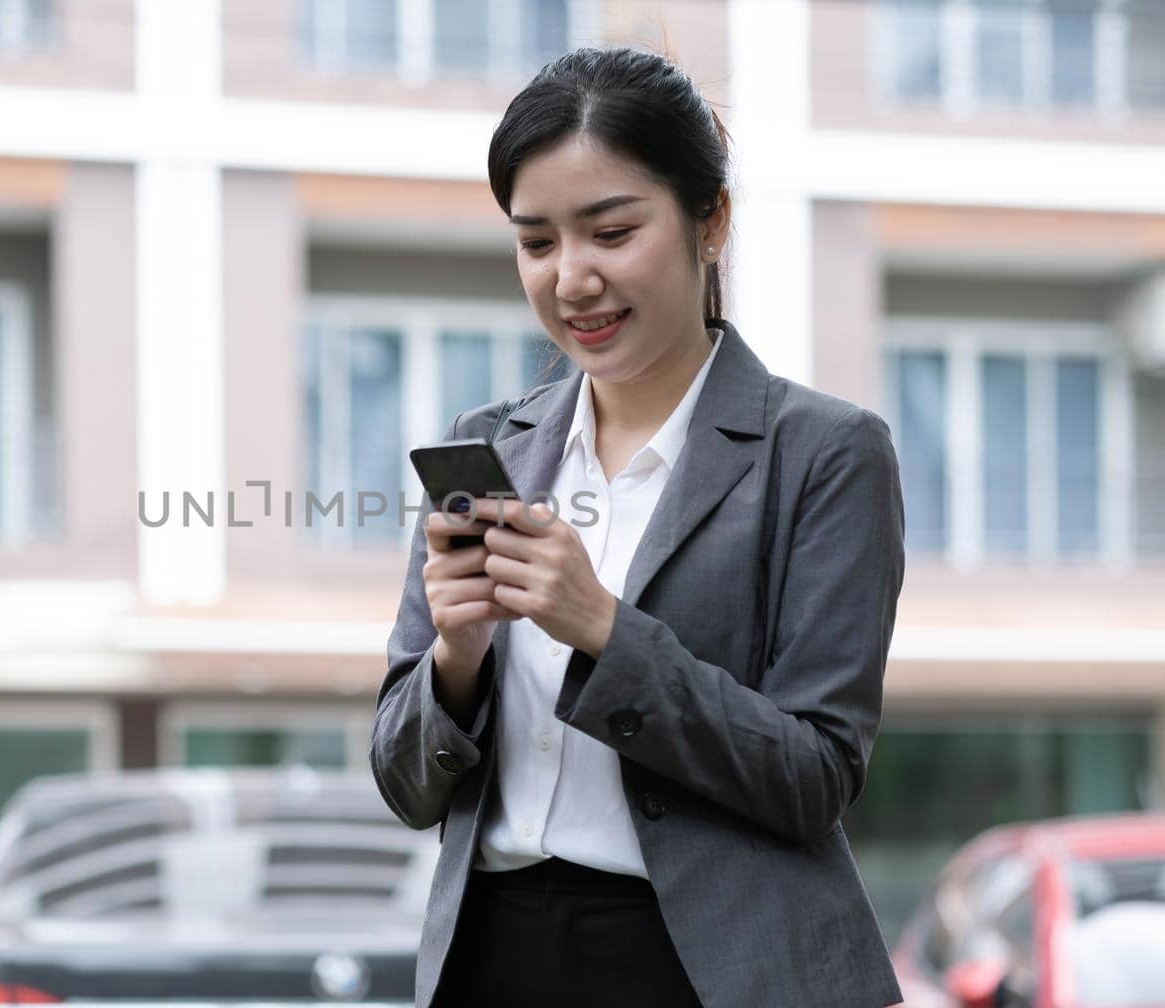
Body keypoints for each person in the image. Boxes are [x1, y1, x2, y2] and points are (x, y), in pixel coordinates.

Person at [371, 47, 906, 1008]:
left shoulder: (826, 452)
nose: (573, 279)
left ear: (712, 223)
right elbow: (408, 789)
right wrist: (456, 658)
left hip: (709, 967)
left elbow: (815, 777)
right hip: (489, 959)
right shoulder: (485, 447)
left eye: (611, 231)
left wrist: (605, 631)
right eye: (537, 243)